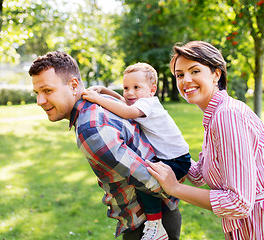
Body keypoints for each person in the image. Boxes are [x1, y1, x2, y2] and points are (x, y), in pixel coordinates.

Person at [147, 41, 264, 240]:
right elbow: (199, 174)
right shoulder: (214, 116)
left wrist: (175, 188)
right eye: (180, 74)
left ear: (216, 74)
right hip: (251, 228)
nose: (186, 80)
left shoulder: (228, 115)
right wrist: (160, 146)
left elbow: (239, 202)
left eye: (195, 71)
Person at [28, 51, 182, 240]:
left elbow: (143, 176)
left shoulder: (91, 129)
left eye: (47, 91)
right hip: (157, 215)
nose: (39, 101)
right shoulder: (99, 103)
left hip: (149, 224)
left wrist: (175, 187)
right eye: (37, 93)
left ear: (74, 85)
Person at [82, 62, 191, 240]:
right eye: (126, 87)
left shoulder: (148, 104)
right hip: (175, 156)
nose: (130, 92)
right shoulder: (142, 101)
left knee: (142, 181)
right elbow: (121, 101)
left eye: (136, 87)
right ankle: (156, 222)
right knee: (143, 176)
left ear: (152, 89)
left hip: (176, 161)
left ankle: (155, 226)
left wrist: (97, 99)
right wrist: (104, 90)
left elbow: (125, 111)